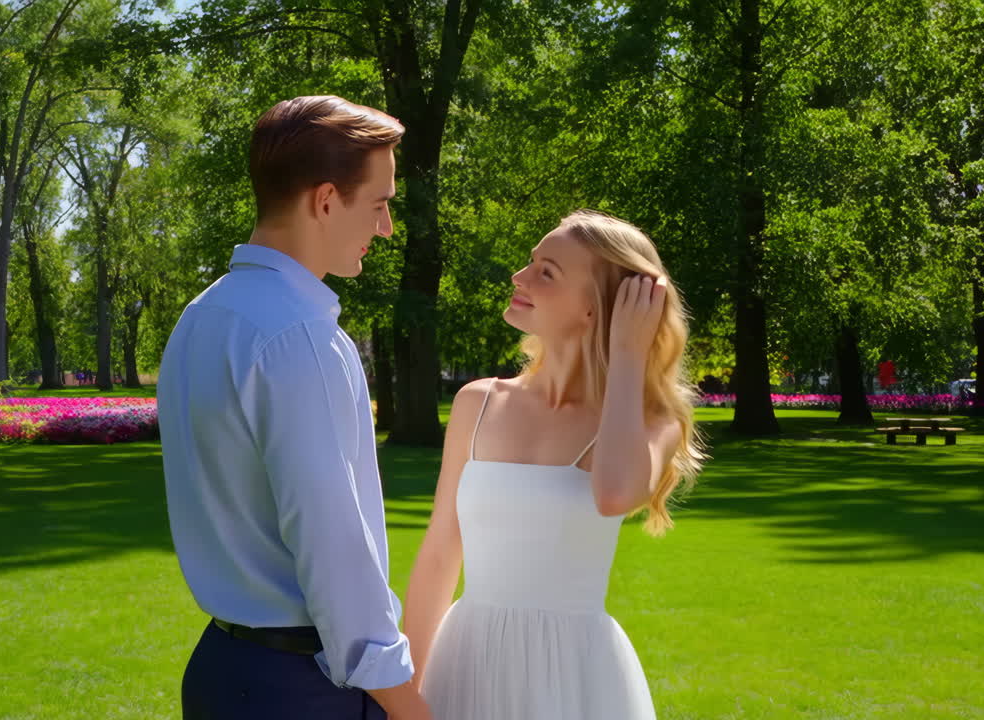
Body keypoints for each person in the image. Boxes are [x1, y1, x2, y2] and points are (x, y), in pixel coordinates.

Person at [157, 96, 431, 720]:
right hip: (302, 688)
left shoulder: (202, 318)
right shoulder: (300, 338)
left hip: (223, 672)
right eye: (380, 204)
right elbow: (334, 551)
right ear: (327, 200)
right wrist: (408, 706)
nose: (386, 227)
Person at [403, 209, 707, 719]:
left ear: (595, 309)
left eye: (547, 272)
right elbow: (439, 552)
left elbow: (613, 495)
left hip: (575, 679)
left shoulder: (653, 423)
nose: (519, 278)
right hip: (464, 666)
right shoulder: (477, 403)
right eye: (530, 263)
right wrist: (405, 691)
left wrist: (628, 354)